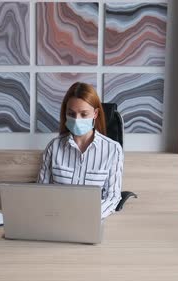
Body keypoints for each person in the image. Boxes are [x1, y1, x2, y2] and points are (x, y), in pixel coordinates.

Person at [37, 82, 124, 219]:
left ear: (95, 114)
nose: (77, 119)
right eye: (71, 114)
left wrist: (89, 216)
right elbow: (41, 193)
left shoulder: (113, 149)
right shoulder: (53, 147)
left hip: (92, 219)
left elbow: (113, 197)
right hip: (57, 218)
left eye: (84, 114)